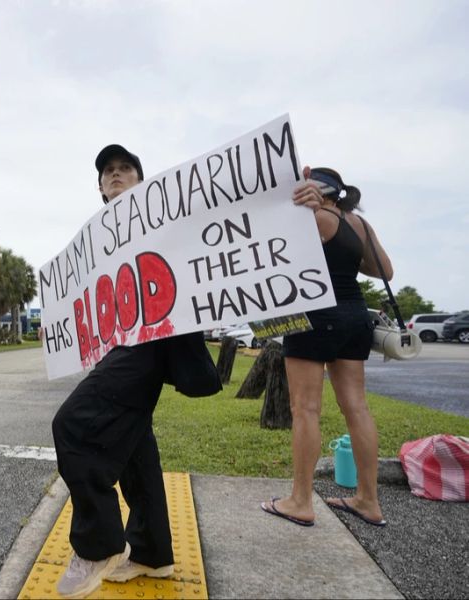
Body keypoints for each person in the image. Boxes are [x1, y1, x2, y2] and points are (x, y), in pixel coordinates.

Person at [51, 144, 222, 599]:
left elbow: (220, 213)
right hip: (119, 345)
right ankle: (152, 552)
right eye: (108, 171)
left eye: (125, 168)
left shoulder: (164, 219)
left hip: (152, 342)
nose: (116, 174)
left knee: (72, 424)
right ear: (100, 187)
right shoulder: (97, 242)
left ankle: (98, 545)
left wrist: (291, 194)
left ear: (142, 181)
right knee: (135, 449)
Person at [261, 166, 392, 528]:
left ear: (315, 188)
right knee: (357, 409)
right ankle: (368, 499)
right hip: (355, 316)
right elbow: (385, 271)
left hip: (315, 315)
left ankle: (300, 501)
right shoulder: (359, 224)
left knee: (305, 409)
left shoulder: (312, 217)